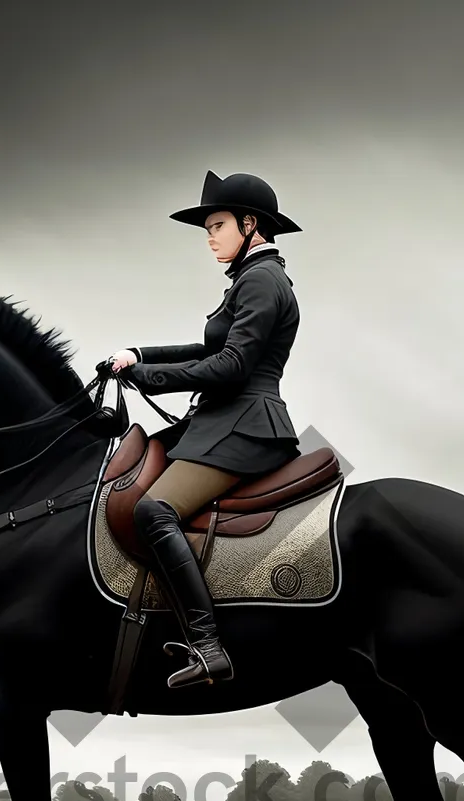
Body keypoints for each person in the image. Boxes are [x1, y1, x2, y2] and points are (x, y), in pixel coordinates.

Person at [109, 170, 303, 689]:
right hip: (224, 419)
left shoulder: (263, 280)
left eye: (217, 225)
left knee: (154, 510)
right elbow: (206, 350)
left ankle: (207, 644)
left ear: (250, 224)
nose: (211, 237)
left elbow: (233, 365)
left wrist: (150, 377)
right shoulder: (248, 280)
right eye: (208, 228)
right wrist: (139, 355)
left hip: (247, 423)